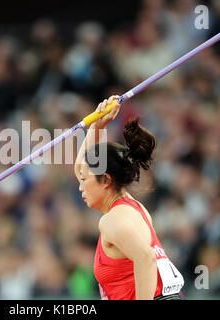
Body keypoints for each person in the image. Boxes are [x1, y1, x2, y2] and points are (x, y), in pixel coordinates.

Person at [74, 95, 184, 300]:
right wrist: (97, 127)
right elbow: (84, 167)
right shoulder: (133, 208)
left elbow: (146, 259)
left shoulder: (113, 220)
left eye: (84, 180)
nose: (80, 186)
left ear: (106, 180)